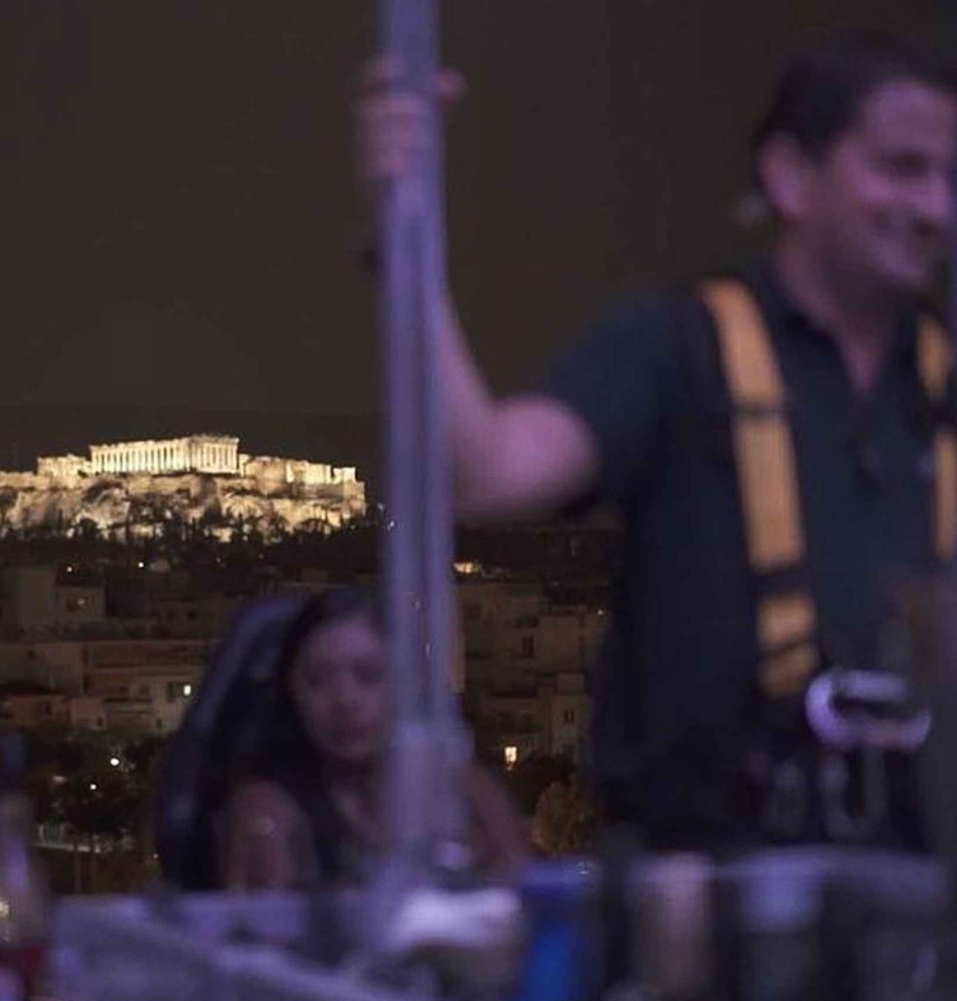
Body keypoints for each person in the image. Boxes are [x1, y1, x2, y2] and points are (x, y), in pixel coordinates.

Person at [358, 34, 957, 850]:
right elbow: (485, 473)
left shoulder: (938, 375)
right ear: (788, 175)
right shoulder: (680, 348)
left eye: (949, 177)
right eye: (900, 167)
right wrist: (407, 238)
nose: (933, 207)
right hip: (712, 890)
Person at [221, 588, 528, 888]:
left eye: (368, 676)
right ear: (290, 692)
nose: (345, 700)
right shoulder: (268, 814)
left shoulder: (466, 795)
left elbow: (529, 904)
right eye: (317, 680)